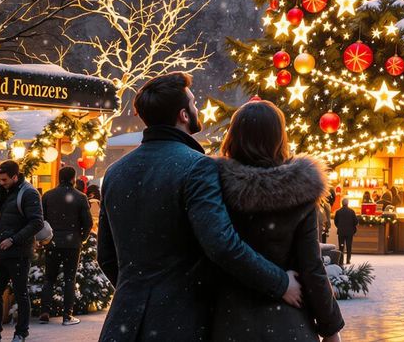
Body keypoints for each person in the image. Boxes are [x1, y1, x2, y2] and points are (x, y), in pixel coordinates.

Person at [97, 73, 303, 342]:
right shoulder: (197, 166)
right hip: (179, 323)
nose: (198, 109)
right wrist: (280, 283)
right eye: (194, 103)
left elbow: (107, 256)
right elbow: (221, 244)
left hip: (122, 322)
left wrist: (138, 294)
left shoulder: (115, 173)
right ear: (183, 115)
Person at [210, 99, 343, 342]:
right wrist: (330, 327)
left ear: (233, 137)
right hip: (288, 323)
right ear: (279, 138)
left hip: (229, 320)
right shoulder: (299, 193)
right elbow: (311, 267)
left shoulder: (213, 188)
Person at [0, 160, 43, 342]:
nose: (1, 182)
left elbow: (37, 222)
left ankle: (21, 332)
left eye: (4, 179)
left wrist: (13, 239)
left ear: (15, 176)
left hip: (18, 252)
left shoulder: (28, 193)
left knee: (21, 293)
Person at [38, 165, 93, 326]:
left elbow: (41, 221)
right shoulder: (80, 197)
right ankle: (67, 316)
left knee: (49, 278)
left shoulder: (48, 196)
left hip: (52, 243)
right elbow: (88, 223)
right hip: (72, 244)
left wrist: (46, 238)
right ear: (73, 179)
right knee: (70, 279)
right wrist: (81, 238)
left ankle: (45, 311)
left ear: (59, 178)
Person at [333, 198, 358, 264]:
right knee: (349, 246)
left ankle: (341, 260)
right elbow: (355, 221)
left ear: (342, 203)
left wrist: (339, 226)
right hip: (349, 232)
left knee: (341, 246)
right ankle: (348, 260)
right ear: (348, 203)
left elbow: (335, 221)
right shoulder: (352, 211)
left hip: (341, 232)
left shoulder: (338, 212)